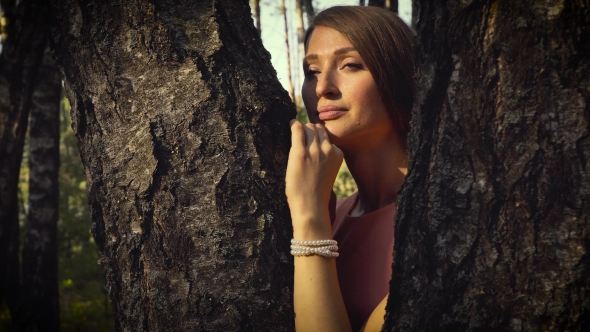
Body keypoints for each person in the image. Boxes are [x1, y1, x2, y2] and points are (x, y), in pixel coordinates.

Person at [285, 6, 414, 332]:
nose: (322, 87)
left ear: (398, 77)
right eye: (311, 70)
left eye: (350, 65)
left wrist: (310, 217)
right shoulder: (334, 214)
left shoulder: (435, 224)